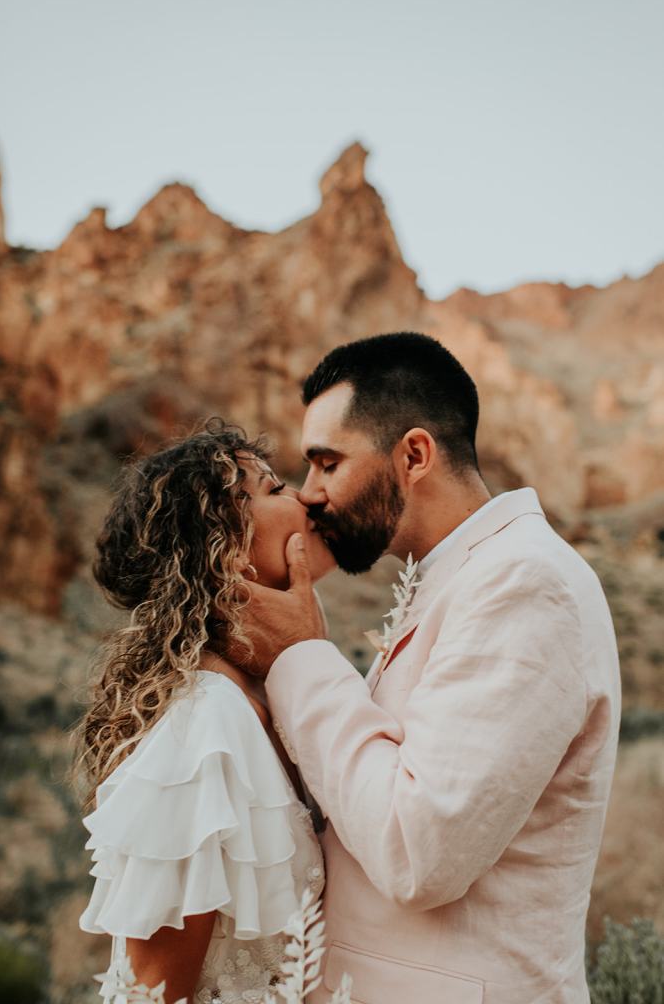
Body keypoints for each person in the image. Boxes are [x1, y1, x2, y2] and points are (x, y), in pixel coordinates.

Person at [242, 332, 621, 1004]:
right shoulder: (462, 575)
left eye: (327, 463)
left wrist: (302, 656)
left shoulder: (527, 583)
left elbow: (418, 853)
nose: (310, 495)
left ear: (414, 454)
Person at [74, 420, 332, 1004]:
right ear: (226, 549)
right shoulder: (205, 729)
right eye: (274, 489)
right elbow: (153, 994)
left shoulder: (266, 695)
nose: (304, 498)